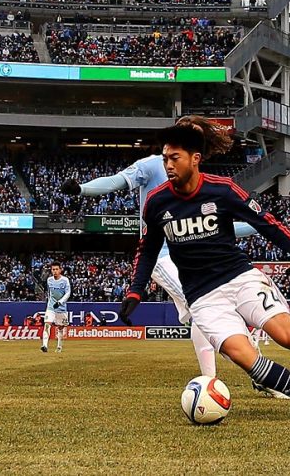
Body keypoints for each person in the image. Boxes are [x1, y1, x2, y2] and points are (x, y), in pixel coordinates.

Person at [120, 125, 290, 423]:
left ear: (195, 158)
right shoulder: (156, 201)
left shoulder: (223, 190)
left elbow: (268, 225)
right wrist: (135, 291)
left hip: (240, 278)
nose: (168, 165)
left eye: (174, 158)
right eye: (165, 159)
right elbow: (148, 249)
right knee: (244, 356)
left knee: (287, 337)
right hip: (202, 297)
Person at [61, 115, 268, 388]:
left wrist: (258, 224)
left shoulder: (197, 178)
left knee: (205, 313)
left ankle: (237, 374)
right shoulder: (151, 165)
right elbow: (116, 181)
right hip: (162, 256)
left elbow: (223, 228)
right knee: (203, 307)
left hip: (190, 259)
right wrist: (81, 189)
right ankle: (238, 375)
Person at [42, 263, 71, 353]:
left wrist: (60, 302)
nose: (55, 271)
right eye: (53, 269)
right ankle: (44, 345)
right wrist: (49, 301)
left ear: (60, 270)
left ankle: (59, 346)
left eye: (56, 269)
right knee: (47, 324)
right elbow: (50, 292)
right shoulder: (49, 280)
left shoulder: (65, 280)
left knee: (60, 327)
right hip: (51, 306)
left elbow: (68, 293)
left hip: (61, 307)